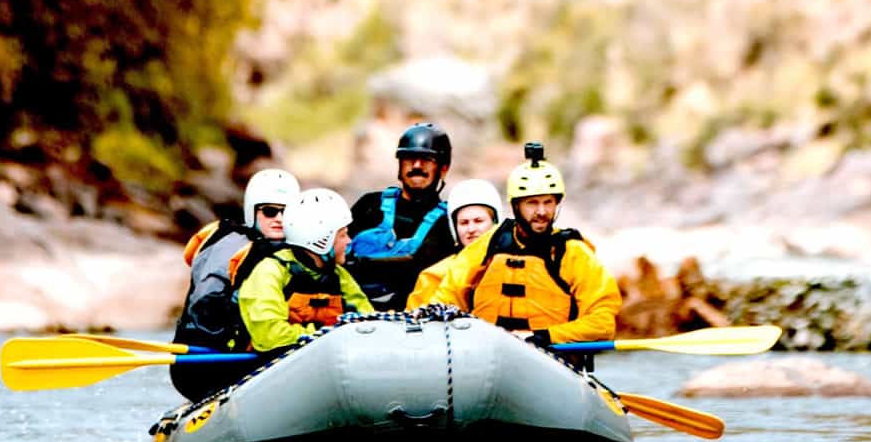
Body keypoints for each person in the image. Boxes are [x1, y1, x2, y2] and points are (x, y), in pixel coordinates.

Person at [418, 143, 621, 368]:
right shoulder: (488, 246)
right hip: (487, 359)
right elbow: (447, 298)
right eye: (532, 203)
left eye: (548, 202)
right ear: (516, 205)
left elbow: (602, 322)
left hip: (551, 360)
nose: (542, 212)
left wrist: (543, 336)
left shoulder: (572, 253)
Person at [169, 168, 298, 400]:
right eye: (270, 211)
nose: (279, 219)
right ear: (253, 212)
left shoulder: (302, 252)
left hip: (262, 354)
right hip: (209, 361)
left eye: (286, 212)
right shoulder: (229, 248)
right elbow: (204, 309)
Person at [236, 188, 374, 361]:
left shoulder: (339, 275)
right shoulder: (270, 272)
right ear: (321, 240)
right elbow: (270, 336)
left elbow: (368, 321)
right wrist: (329, 334)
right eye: (343, 235)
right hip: (270, 367)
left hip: (321, 361)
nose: (349, 242)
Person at [346, 122, 463, 311]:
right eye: (409, 158)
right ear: (399, 164)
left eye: (427, 159)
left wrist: (359, 263)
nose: (417, 165)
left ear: (443, 168)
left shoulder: (449, 221)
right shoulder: (369, 205)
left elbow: (421, 266)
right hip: (352, 309)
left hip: (412, 318)